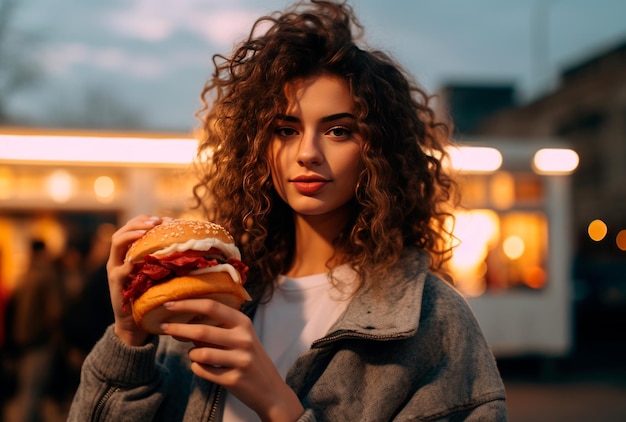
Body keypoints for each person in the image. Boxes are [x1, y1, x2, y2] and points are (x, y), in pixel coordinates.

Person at [68, 1, 508, 420]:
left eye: (338, 130)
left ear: (380, 151)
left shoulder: (435, 320)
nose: (308, 153)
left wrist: (279, 406)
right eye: (285, 129)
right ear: (256, 147)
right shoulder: (205, 292)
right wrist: (129, 337)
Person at [11, 239, 65, 422]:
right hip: (40, 339)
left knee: (28, 386)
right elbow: (54, 311)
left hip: (23, 340)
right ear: (43, 252)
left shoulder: (25, 275)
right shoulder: (46, 275)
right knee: (33, 390)